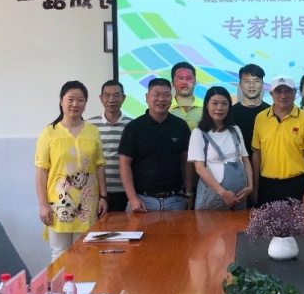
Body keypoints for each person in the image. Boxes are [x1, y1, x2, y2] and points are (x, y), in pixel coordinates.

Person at [35, 81, 107, 261]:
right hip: (59, 205)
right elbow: (41, 172)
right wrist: (43, 205)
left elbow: (99, 165)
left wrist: (103, 197)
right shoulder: (49, 133)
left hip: (88, 204)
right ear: (61, 101)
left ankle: (80, 282)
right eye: (70, 99)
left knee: (85, 253)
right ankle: (62, 282)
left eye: (80, 100)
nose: (75, 104)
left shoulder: (93, 131)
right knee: (60, 253)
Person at [118, 78, 193, 212]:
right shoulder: (133, 128)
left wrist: (188, 193)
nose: (161, 99)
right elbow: (124, 164)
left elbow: (187, 161)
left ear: (172, 98)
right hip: (143, 200)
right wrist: (133, 198)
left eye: (166, 95)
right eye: (156, 94)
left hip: (175, 200)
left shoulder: (180, 126)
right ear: (147, 97)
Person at [251, 75, 304, 206]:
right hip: (267, 186)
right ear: (271, 94)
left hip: (296, 185)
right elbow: (256, 154)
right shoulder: (261, 118)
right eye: (278, 91)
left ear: (295, 92)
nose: (283, 96)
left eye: (287, 91)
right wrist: (255, 187)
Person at [188, 86, 253, 210]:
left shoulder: (235, 129)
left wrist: (250, 186)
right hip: (212, 197)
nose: (219, 108)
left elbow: (245, 159)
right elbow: (200, 168)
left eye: (224, 103)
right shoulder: (198, 133)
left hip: (240, 198)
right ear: (207, 105)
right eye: (215, 103)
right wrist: (223, 193)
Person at [87, 80, 132, 212]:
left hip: (125, 191)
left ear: (123, 98)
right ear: (101, 98)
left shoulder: (132, 126)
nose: (112, 100)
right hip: (97, 191)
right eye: (107, 95)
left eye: (116, 95)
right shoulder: (89, 126)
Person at [232, 64, 270, 160]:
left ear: (262, 84)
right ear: (240, 84)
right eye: (247, 81)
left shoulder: (271, 112)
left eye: (256, 81)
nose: (251, 85)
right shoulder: (231, 113)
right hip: (238, 164)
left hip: (267, 164)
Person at [169, 62, 203, 131]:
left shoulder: (207, 107)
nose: (185, 82)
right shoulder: (165, 108)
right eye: (180, 78)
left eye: (188, 78)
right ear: (172, 83)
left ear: (195, 81)